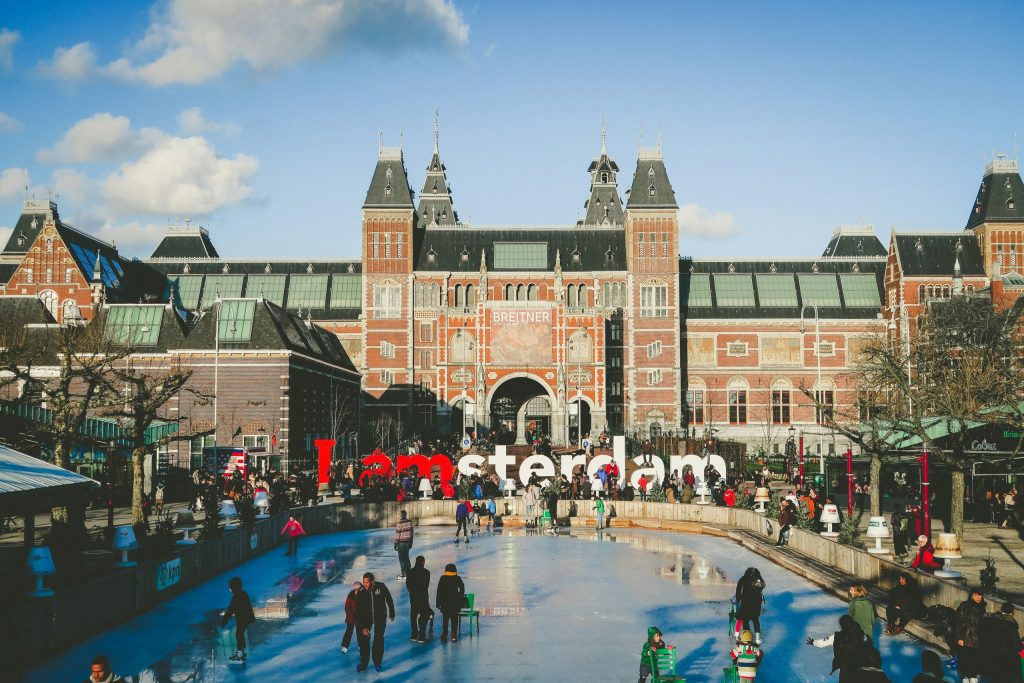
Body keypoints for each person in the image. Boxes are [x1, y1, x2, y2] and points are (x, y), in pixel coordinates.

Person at [807, 614, 870, 683]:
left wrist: (813, 642)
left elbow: (822, 643)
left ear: (841, 625)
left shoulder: (837, 637)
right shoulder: (861, 634)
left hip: (845, 667)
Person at [354, 572, 395, 673]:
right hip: (366, 619)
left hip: (380, 618)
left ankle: (377, 663)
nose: (365, 584)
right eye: (364, 582)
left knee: (378, 640)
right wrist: (363, 627)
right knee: (364, 641)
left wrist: (392, 612)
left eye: (367, 582)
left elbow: (389, 599)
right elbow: (358, 611)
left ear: (372, 582)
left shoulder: (381, 587)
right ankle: (364, 664)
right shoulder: (361, 591)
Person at [979, 600, 1023, 682]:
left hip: (991, 655)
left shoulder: (990, 620)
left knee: (995, 678)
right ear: (1012, 612)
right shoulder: (1011, 625)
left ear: (1001, 610)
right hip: (1005, 658)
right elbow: (1017, 646)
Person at [952, 588, 987, 683]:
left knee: (975, 657)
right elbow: (959, 622)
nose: (978, 597)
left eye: (980, 595)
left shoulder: (982, 606)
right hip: (966, 637)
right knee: (965, 657)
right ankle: (965, 676)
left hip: (977, 637)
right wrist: (959, 637)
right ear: (971, 596)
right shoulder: (965, 606)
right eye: (975, 595)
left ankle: (973, 675)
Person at [220, 576, 255, 662]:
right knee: (240, 634)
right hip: (246, 618)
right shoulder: (244, 593)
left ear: (234, 588)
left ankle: (240, 653)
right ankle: (242, 652)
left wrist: (223, 622)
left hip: (242, 619)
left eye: (231, 588)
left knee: (239, 634)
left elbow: (230, 610)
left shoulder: (236, 597)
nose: (230, 590)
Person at [734, 567, 766, 644]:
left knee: (744, 618)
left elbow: (738, 589)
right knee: (755, 619)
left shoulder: (743, 578)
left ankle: (744, 637)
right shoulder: (758, 578)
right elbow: (763, 585)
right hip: (756, 602)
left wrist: (738, 599)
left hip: (746, 601)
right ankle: (758, 639)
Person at [436, 562, 466, 642]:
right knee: (454, 620)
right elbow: (462, 588)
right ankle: (453, 635)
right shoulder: (457, 578)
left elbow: (439, 591)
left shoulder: (443, 578)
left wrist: (438, 603)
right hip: (455, 602)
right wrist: (460, 595)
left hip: (445, 602)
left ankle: (444, 635)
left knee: (445, 620)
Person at [405, 556, 432, 643]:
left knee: (413, 615)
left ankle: (413, 634)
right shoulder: (426, 572)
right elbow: (426, 586)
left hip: (413, 597)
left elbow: (408, 585)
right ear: (423, 562)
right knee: (424, 615)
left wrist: (412, 592)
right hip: (423, 597)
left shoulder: (410, 572)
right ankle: (422, 636)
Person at [341, 581, 361, 654]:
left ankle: (360, 645)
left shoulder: (363, 595)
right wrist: (351, 615)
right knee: (349, 631)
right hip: (351, 618)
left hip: (359, 618)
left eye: (358, 589)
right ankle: (345, 646)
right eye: (355, 589)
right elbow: (347, 607)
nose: (357, 591)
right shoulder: (350, 595)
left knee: (360, 632)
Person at [393, 510, 414, 578]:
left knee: (402, 558)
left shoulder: (400, 523)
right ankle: (409, 572)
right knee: (406, 557)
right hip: (408, 542)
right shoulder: (410, 522)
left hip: (401, 542)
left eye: (400, 514)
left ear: (402, 515)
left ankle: (404, 574)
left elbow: (397, 533)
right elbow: (412, 533)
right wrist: (411, 542)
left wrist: (395, 543)